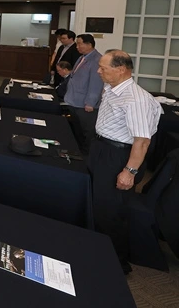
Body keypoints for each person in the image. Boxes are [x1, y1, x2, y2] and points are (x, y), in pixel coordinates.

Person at [93, 49, 162, 274]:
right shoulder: (111, 88)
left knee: (112, 211)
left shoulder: (136, 99)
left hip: (120, 156)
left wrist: (129, 171)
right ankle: (99, 249)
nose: (98, 71)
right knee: (100, 206)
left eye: (103, 68)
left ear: (121, 69)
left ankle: (116, 263)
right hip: (103, 148)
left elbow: (142, 141)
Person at [63, 34, 103, 154]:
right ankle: (78, 150)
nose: (77, 46)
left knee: (87, 130)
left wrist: (90, 102)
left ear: (89, 44)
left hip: (85, 104)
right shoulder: (82, 57)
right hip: (74, 100)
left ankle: (86, 154)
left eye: (80, 44)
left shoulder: (96, 60)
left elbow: (96, 83)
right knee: (77, 129)